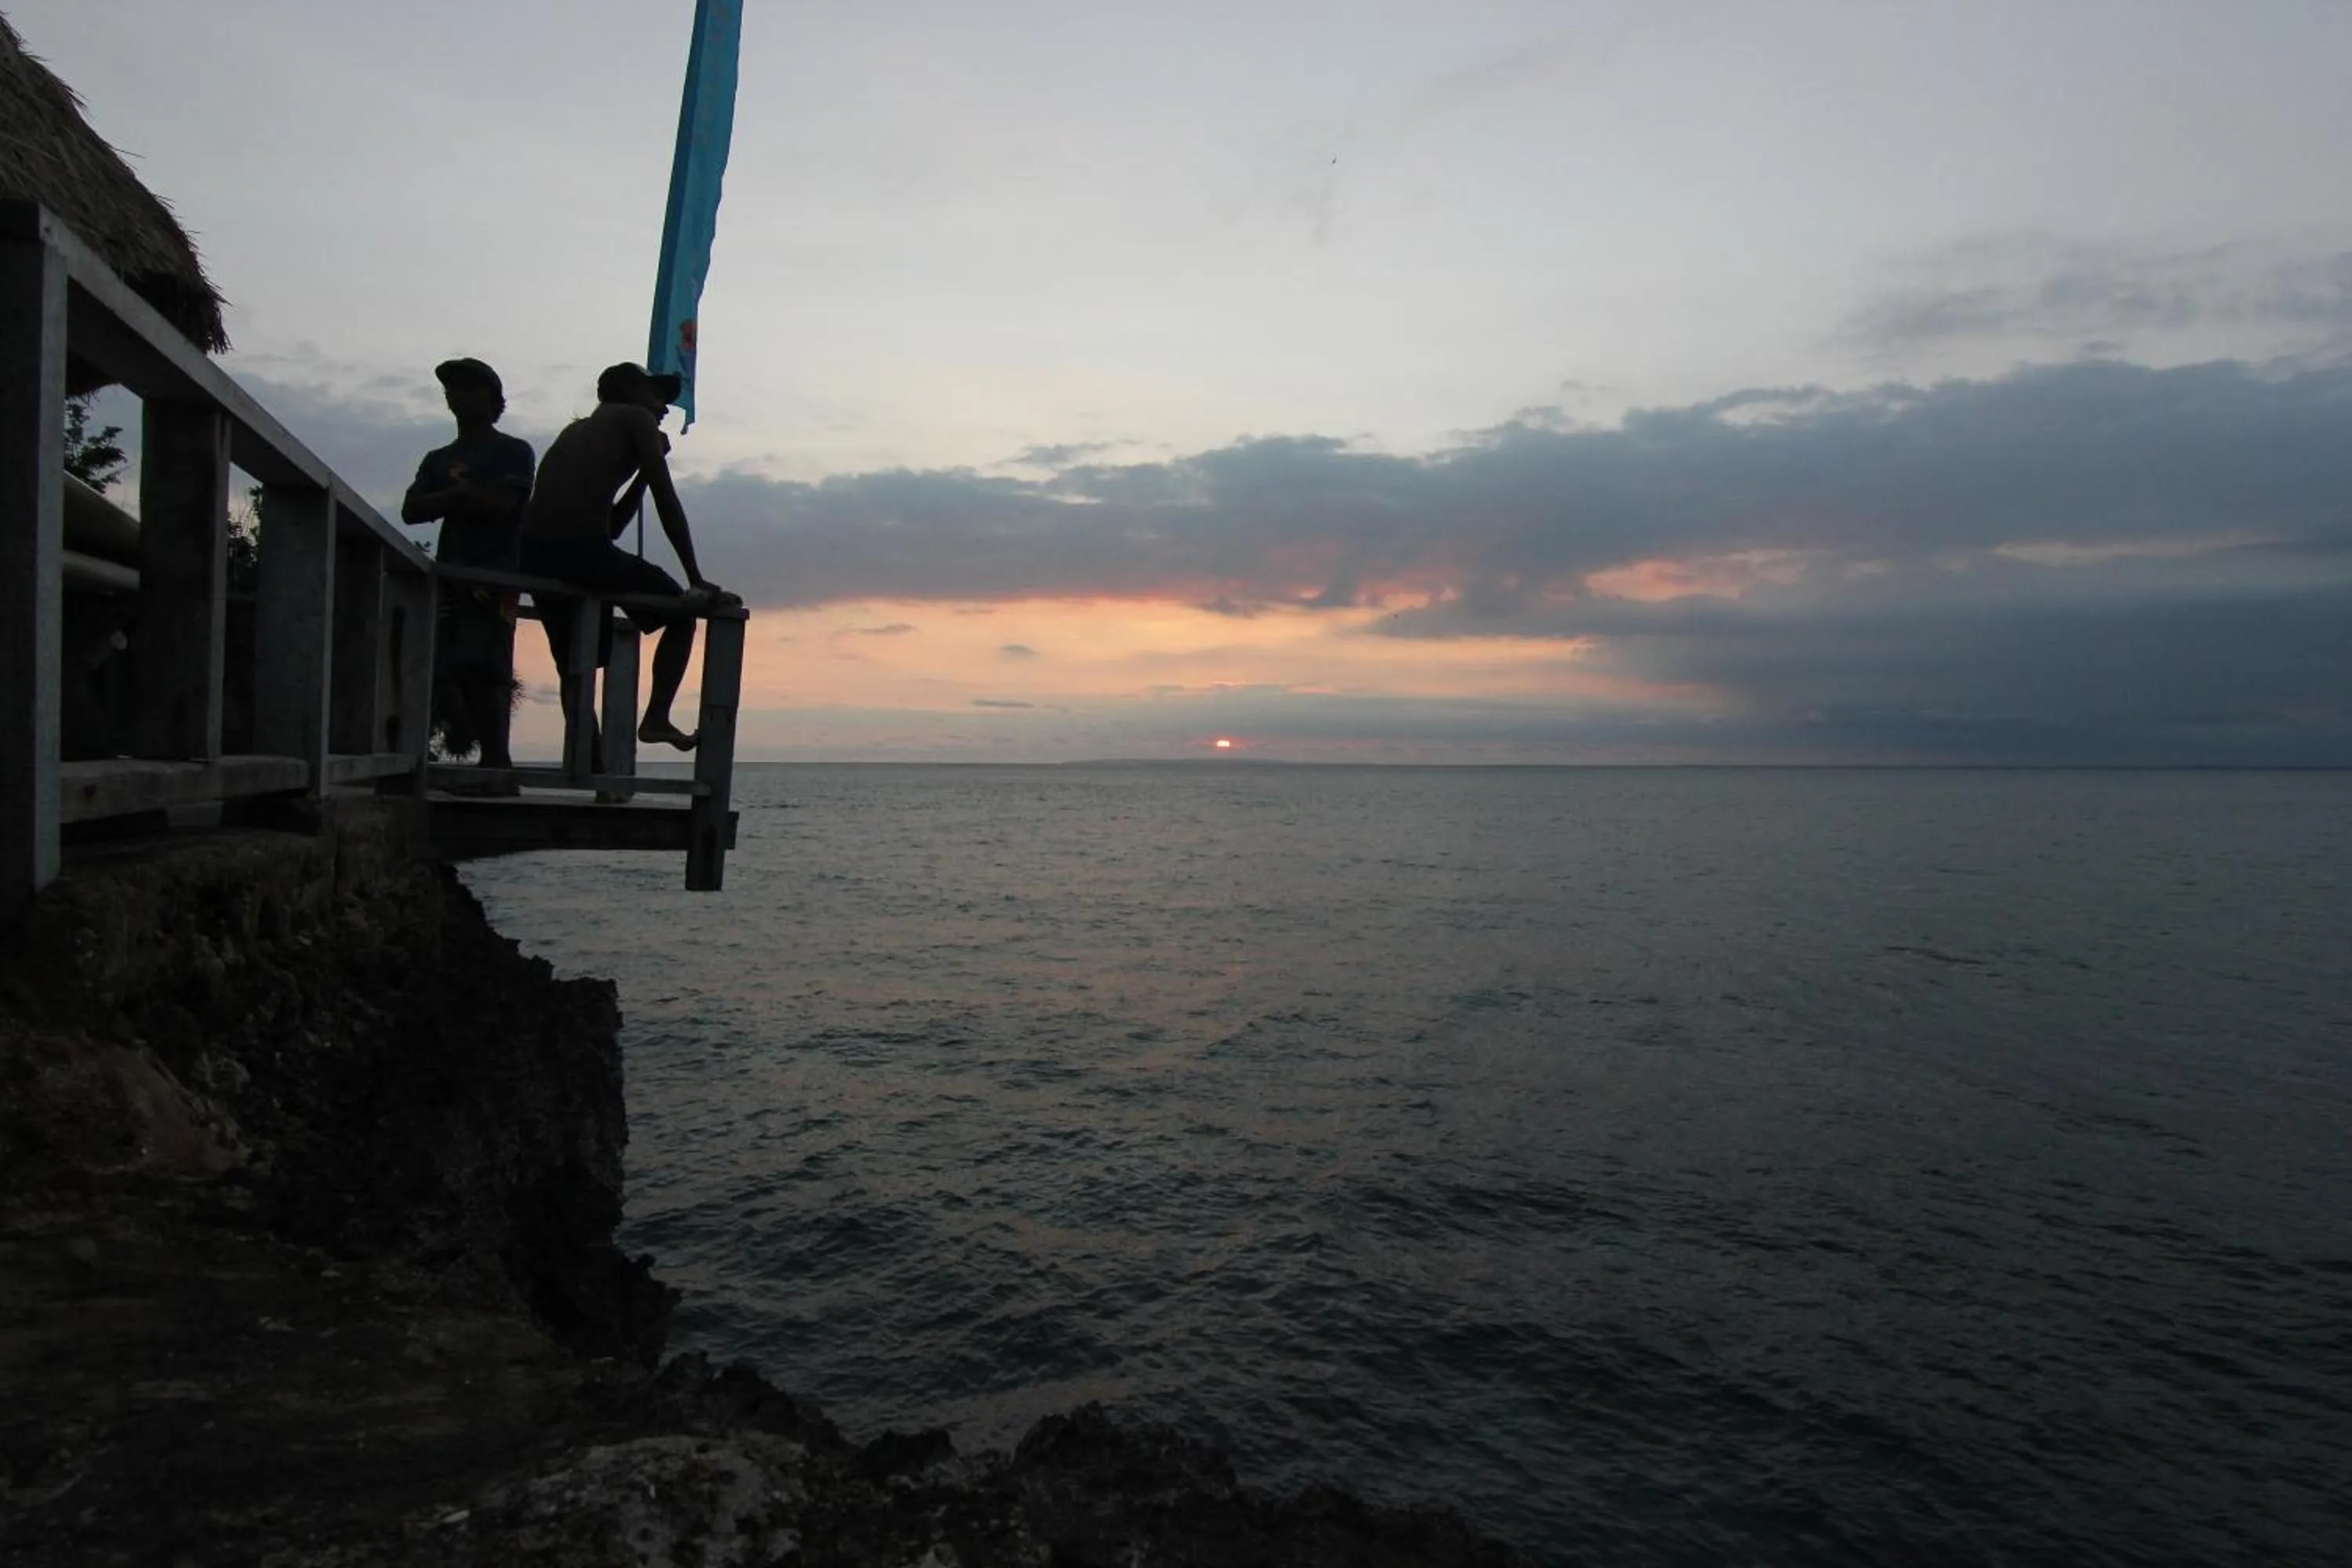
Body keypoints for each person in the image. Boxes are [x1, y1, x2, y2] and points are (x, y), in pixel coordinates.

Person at [519, 361, 732, 753]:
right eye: (657, 396)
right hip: (581, 552)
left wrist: (643, 474)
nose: (664, 409)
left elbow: (612, 527)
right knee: (680, 614)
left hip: (535, 554)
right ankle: (656, 719)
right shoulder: (635, 418)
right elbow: (667, 500)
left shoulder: (575, 431)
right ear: (631, 391)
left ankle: (589, 762)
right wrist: (695, 577)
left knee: (574, 666)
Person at [401, 358, 534, 782]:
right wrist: (460, 498)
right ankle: (485, 765)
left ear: (493, 399)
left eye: (470, 390)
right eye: (452, 390)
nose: (459, 398)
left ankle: (497, 765)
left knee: (486, 665)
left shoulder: (513, 450)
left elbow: (504, 505)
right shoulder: (438, 457)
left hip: (496, 573)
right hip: (450, 575)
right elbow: (411, 510)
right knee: (450, 666)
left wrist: (454, 499)